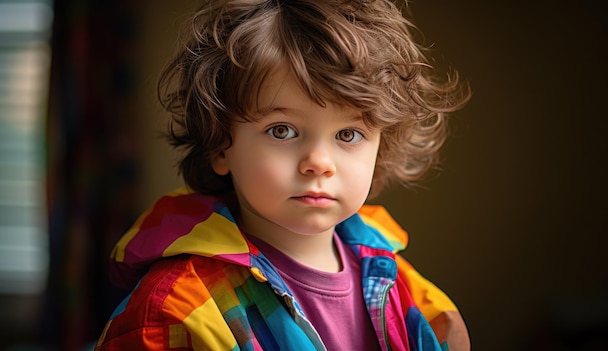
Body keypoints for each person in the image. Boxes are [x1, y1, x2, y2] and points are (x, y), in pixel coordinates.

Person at [95, 0, 471, 350]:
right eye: (282, 131)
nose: (319, 162)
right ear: (220, 145)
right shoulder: (174, 311)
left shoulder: (405, 287)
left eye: (348, 134)